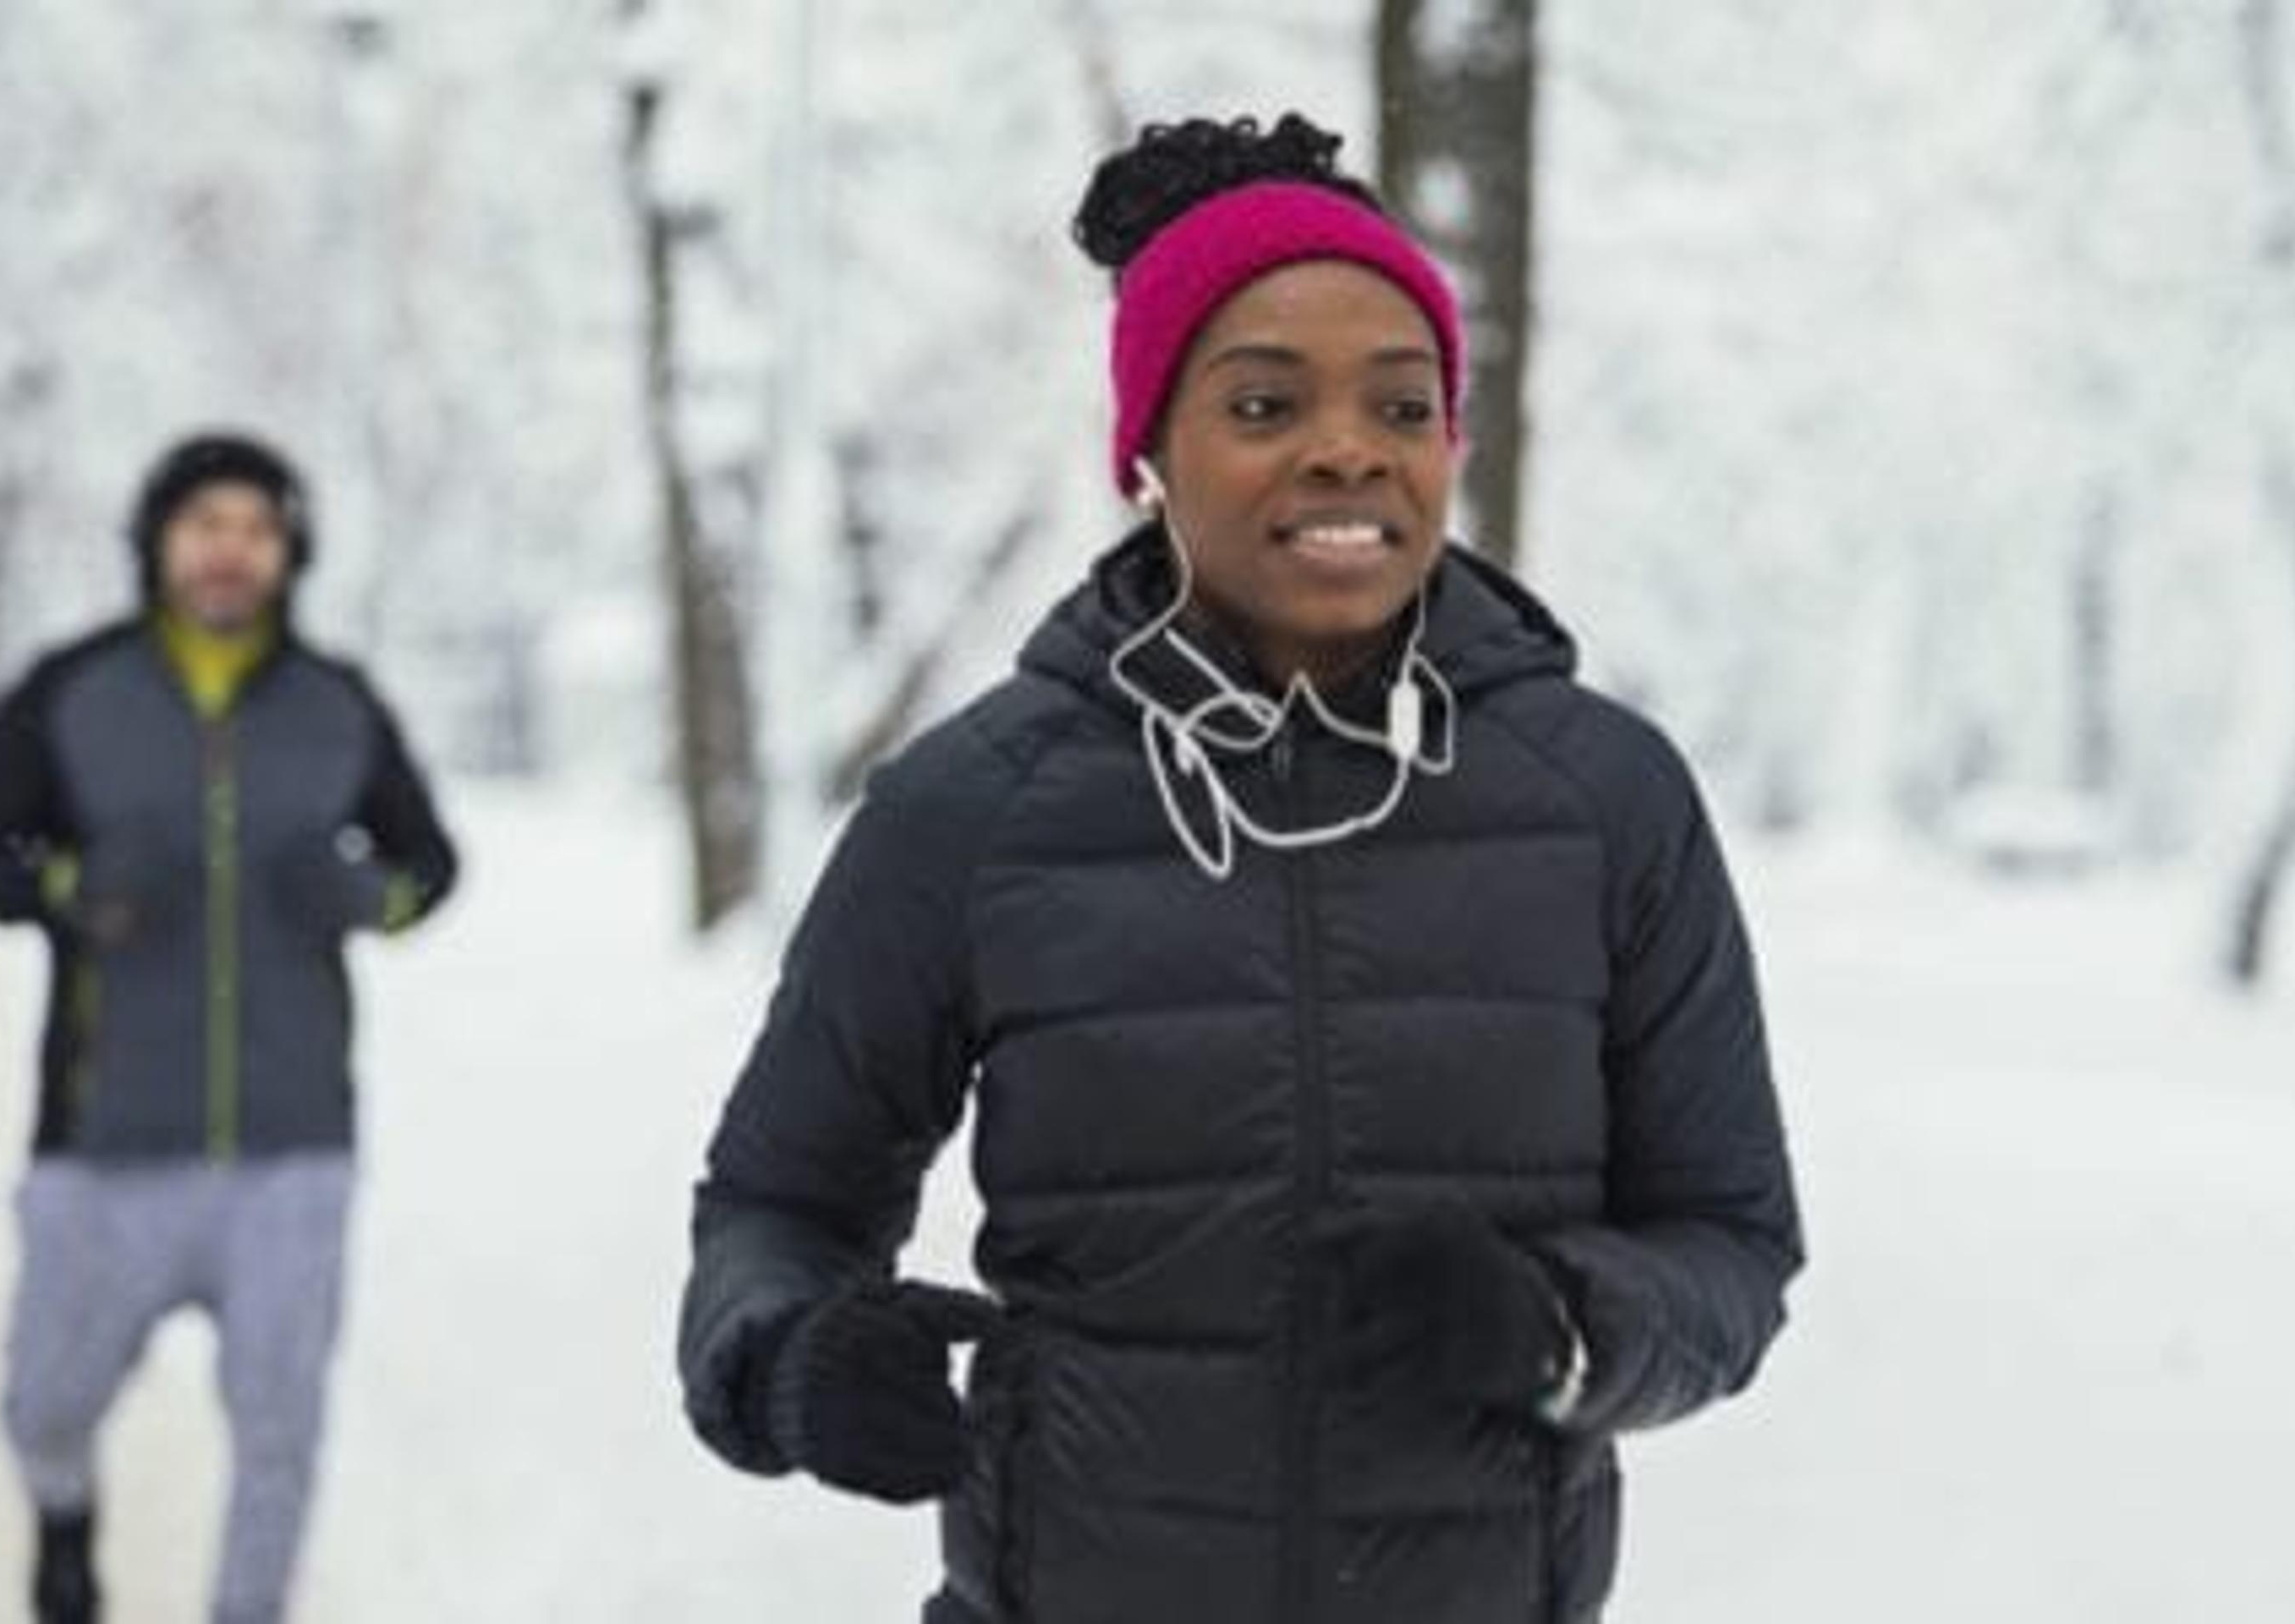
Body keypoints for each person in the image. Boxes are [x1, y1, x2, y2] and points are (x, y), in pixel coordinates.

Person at [678, 114, 1803, 1623]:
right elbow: (775, 1206)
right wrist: (793, 1362)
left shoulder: (1605, 800)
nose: (1350, 447)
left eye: (1404, 407)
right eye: (1266, 403)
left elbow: (1728, 1246)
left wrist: (1567, 1326)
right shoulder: (976, 807)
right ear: (1148, 452)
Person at [0, 430, 459, 1624]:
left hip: (295, 1150)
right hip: (105, 1138)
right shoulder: (73, 692)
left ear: (289, 552)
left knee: (281, 1434)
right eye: (205, 525)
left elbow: (433, 865)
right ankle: (64, 1526)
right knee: (43, 1408)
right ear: (160, 542)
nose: (231, 551)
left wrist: (369, 898)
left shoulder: (338, 707)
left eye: (257, 530)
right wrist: (71, 888)